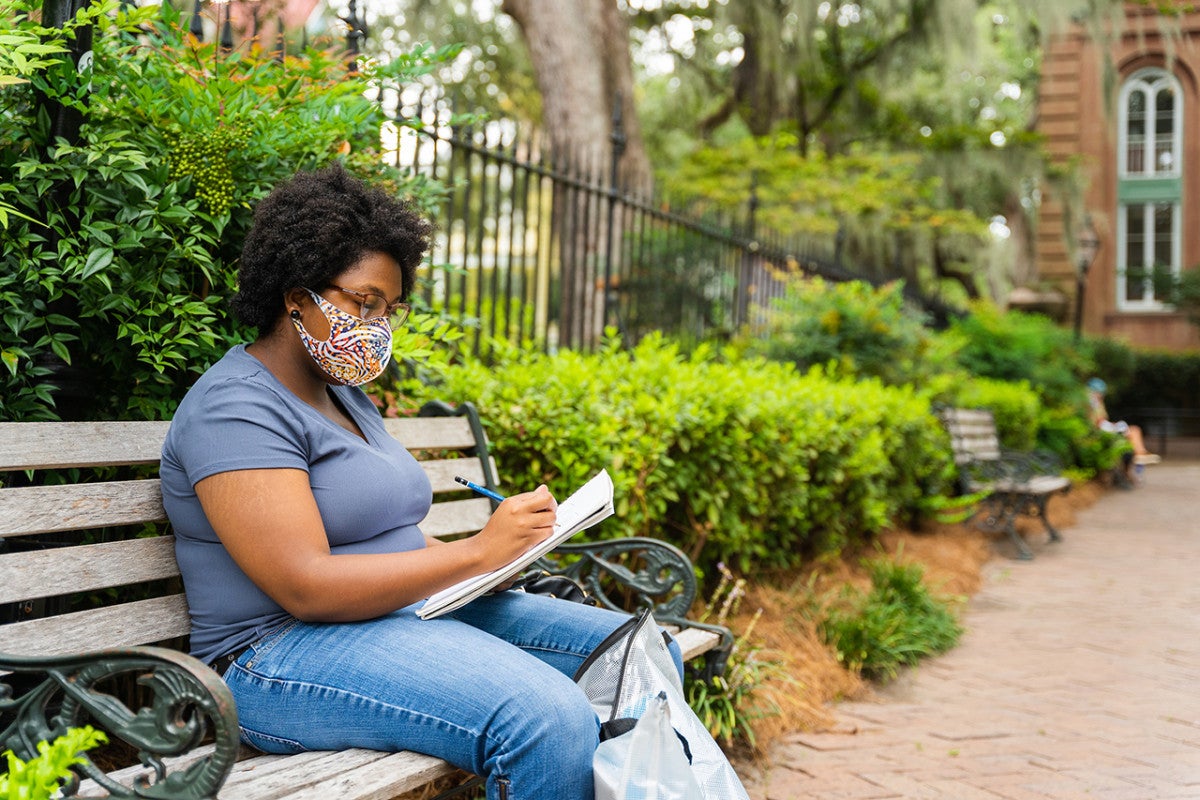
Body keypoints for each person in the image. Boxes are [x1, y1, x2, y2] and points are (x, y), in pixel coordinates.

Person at [159, 164, 683, 800]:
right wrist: (475, 552)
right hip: (271, 658)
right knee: (545, 717)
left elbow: (384, 542)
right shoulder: (235, 408)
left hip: (392, 618)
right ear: (295, 296)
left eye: (390, 308)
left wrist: (495, 564)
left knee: (643, 660)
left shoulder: (342, 396)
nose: (378, 323)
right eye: (365, 301)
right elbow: (306, 586)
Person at [1086, 378, 1161, 471]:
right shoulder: (1091, 402)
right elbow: (1097, 422)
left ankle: (1140, 454)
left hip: (1105, 428)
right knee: (1134, 430)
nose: (1101, 394)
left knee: (1133, 430)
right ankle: (1140, 453)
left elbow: (1102, 420)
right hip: (1101, 431)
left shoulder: (1097, 403)